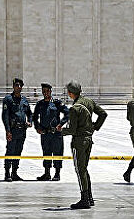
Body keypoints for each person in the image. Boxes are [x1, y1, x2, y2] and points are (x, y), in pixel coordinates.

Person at [57, 81, 107, 209]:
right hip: (89, 140)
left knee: (80, 170)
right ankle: (89, 198)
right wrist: (95, 126)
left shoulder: (75, 108)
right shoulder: (89, 102)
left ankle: (84, 199)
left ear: (70, 93)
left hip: (79, 142)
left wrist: (60, 131)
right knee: (84, 169)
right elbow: (103, 114)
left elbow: (72, 130)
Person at [33, 83, 70, 181]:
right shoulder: (40, 104)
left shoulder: (57, 103)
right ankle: (47, 173)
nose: (45, 93)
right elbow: (34, 117)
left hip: (56, 133)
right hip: (45, 133)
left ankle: (57, 174)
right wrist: (37, 127)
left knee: (57, 152)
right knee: (46, 152)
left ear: (51, 91)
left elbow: (68, 113)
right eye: (43, 91)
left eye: (47, 91)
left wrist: (60, 124)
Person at [2, 78, 33, 182]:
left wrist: (30, 121)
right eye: (16, 85)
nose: (18, 87)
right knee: (10, 151)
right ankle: (7, 173)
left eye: (20, 85)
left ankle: (14, 173)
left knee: (18, 151)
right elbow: (5, 116)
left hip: (22, 130)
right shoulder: (8, 99)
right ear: (13, 86)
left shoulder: (24, 100)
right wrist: (7, 130)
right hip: (13, 130)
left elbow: (29, 113)